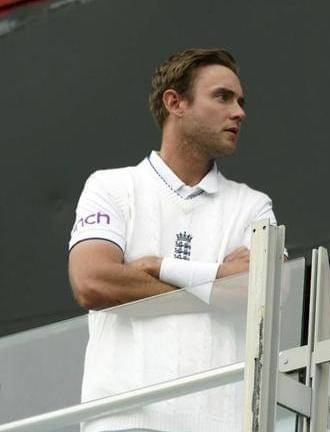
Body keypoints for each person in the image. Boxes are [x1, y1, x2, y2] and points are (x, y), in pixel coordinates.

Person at [68, 48, 276, 432]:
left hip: (222, 425)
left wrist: (159, 267)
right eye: (223, 97)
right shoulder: (110, 186)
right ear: (175, 102)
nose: (239, 112)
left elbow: (265, 291)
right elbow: (92, 282)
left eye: (240, 102)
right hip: (124, 421)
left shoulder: (253, 205)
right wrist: (216, 285)